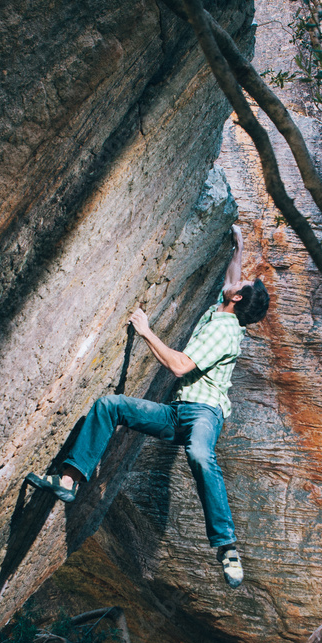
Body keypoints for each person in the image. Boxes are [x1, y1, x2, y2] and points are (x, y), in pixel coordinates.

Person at [26, 225, 270, 588]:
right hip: (177, 413)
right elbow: (234, 276)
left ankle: (227, 547)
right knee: (110, 407)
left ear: (237, 299)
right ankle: (68, 480)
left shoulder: (225, 330)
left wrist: (145, 330)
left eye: (243, 284)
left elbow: (180, 366)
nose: (240, 279)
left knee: (201, 456)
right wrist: (239, 245)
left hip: (204, 413)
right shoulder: (226, 307)